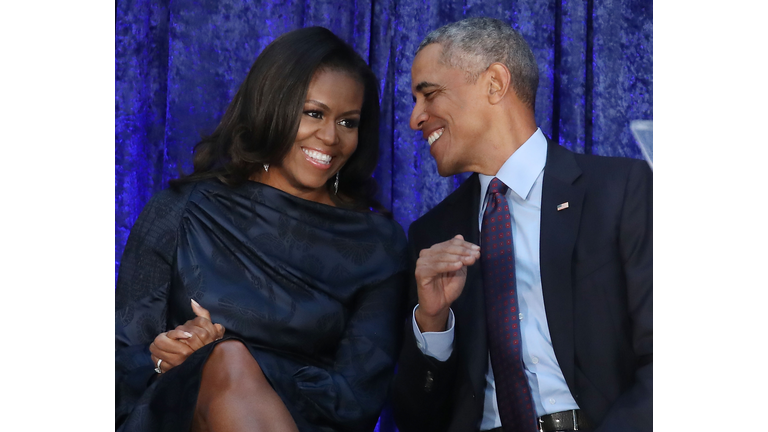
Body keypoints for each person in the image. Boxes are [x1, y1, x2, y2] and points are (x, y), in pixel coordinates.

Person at [115, 26, 408, 432]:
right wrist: (170, 357)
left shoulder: (379, 245)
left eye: (348, 121)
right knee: (227, 363)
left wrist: (221, 353)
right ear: (273, 106)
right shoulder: (182, 210)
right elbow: (120, 364)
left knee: (228, 359)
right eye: (314, 113)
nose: (329, 137)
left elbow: (357, 401)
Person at [391, 17, 652, 432]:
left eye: (429, 94)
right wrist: (433, 323)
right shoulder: (432, 235)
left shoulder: (620, 192)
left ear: (494, 83)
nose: (414, 118)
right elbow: (415, 419)